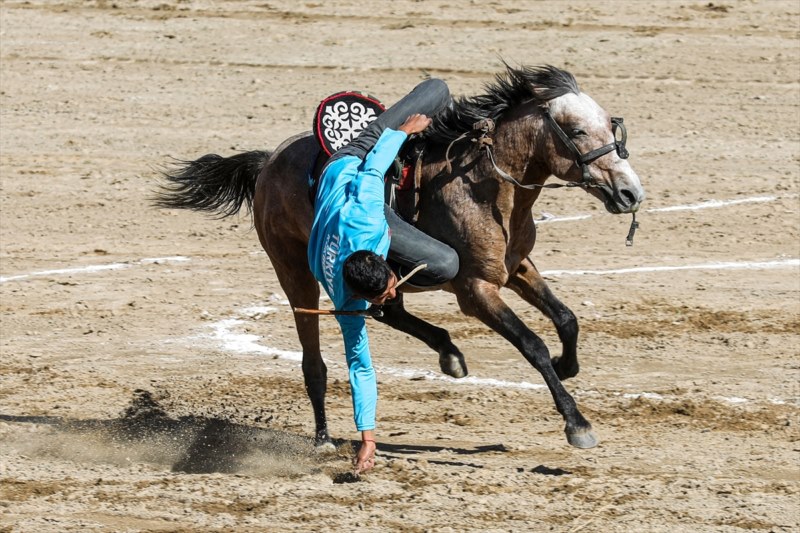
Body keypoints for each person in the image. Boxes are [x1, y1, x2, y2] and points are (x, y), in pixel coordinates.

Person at [307, 78, 458, 475]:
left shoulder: (368, 218)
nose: (391, 296)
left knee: (438, 91)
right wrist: (368, 439)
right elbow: (360, 367)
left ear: (386, 261)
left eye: (390, 289)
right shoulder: (347, 305)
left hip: (352, 159)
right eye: (386, 297)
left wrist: (402, 133)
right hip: (337, 206)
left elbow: (372, 168)